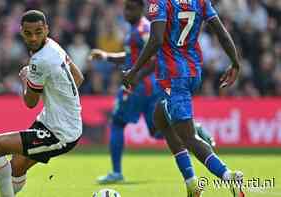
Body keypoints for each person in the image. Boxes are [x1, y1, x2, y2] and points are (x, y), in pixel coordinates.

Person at [123, 0, 244, 197]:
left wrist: (134, 71)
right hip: (193, 71)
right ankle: (192, 184)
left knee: (188, 137)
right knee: (160, 117)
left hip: (174, 76)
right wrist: (235, 62)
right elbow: (220, 31)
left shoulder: (160, 2)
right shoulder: (200, 1)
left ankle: (228, 175)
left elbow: (156, 40)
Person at [90, 0, 215, 185]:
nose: (126, 12)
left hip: (139, 88)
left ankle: (116, 172)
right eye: (125, 8)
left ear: (141, 9)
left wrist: (137, 76)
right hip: (154, 87)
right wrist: (107, 57)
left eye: (130, 9)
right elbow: (134, 56)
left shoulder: (143, 29)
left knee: (117, 122)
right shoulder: (142, 28)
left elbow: (156, 55)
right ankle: (192, 129)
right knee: (159, 130)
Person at [0, 10, 84, 197]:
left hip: (59, 133)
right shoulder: (54, 46)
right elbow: (78, 78)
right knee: (15, 169)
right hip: (55, 122)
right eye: (29, 33)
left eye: (38, 32)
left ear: (46, 29)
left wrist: (26, 78)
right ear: (21, 31)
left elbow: (30, 103)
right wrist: (59, 100)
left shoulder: (40, 61)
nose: (33, 38)